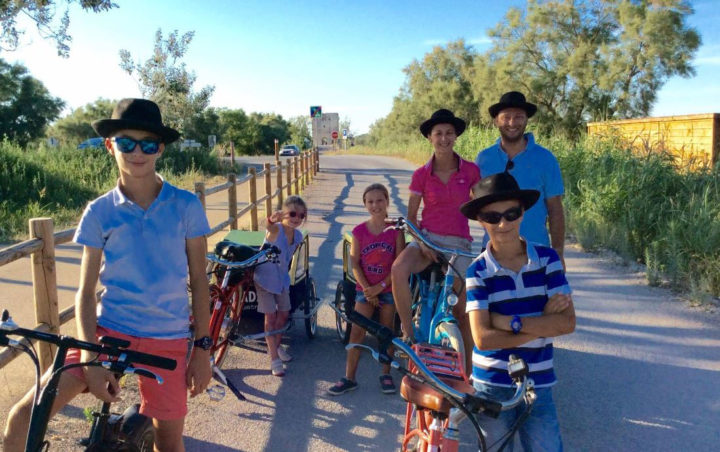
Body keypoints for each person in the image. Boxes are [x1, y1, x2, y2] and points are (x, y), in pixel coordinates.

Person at [3, 98, 212, 452]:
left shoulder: (186, 206)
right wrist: (90, 359)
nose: (137, 152)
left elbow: (198, 281)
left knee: (169, 439)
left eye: (147, 144)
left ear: (160, 149)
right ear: (109, 145)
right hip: (108, 334)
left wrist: (203, 350)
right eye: (126, 142)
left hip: (168, 336)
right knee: (23, 418)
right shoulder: (99, 212)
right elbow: (85, 292)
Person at [460, 172, 575, 451]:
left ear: (523, 213)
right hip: (491, 384)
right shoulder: (477, 271)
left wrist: (507, 322)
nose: (503, 223)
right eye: (492, 217)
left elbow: (567, 324)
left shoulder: (547, 260)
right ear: (480, 220)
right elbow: (483, 339)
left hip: (539, 382)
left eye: (511, 214)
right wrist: (542, 321)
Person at [391, 108, 481, 375]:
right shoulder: (421, 174)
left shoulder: (472, 171)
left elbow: (481, 205)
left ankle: (468, 372)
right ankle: (409, 333)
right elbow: (410, 218)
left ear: (455, 137)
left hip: (459, 244)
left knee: (461, 302)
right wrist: (425, 244)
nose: (444, 138)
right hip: (426, 239)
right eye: (438, 133)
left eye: (449, 133)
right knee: (398, 269)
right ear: (430, 137)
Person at [328, 183, 405, 395]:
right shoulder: (359, 231)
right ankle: (349, 377)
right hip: (366, 289)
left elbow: (398, 263)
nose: (375, 205)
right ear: (365, 204)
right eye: (370, 201)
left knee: (386, 330)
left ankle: (385, 373)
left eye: (380, 200)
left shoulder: (396, 232)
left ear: (387, 201)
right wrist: (368, 289)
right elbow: (354, 263)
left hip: (387, 289)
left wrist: (379, 288)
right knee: (357, 331)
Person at [475, 91, 566, 266]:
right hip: (493, 254)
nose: (512, 123)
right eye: (506, 117)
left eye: (518, 117)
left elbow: (555, 209)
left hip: (536, 253)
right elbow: (474, 203)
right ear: (496, 121)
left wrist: (558, 252)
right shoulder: (484, 159)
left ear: (526, 120)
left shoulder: (545, 159)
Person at [254, 195, 307, 377]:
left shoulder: (298, 236)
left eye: (301, 215)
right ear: (283, 214)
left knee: (284, 313)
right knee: (271, 316)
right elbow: (268, 227)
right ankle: (274, 358)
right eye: (292, 213)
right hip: (265, 278)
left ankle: (275, 346)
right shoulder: (276, 230)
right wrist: (270, 220)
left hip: (282, 279)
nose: (296, 218)